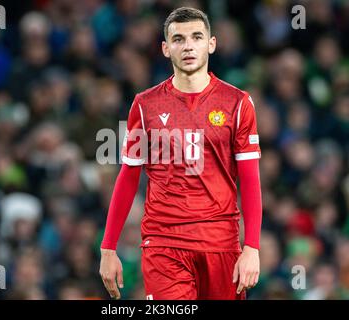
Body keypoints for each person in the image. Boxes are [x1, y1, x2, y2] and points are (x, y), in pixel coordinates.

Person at [99, 7, 262, 300]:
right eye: (178, 39)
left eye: (197, 37)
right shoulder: (143, 105)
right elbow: (128, 176)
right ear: (165, 48)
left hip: (220, 244)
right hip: (164, 244)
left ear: (211, 43)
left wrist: (251, 247)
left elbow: (250, 180)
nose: (188, 46)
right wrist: (108, 247)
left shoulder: (238, 103)